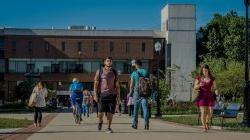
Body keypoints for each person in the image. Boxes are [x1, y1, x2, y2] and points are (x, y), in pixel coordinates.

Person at [94, 57, 120, 133]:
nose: (109, 62)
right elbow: (95, 84)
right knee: (100, 113)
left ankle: (108, 127)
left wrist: (118, 96)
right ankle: (100, 121)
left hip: (112, 95)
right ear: (105, 62)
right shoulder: (100, 71)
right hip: (102, 95)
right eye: (107, 61)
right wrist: (95, 95)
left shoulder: (114, 72)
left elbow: (117, 85)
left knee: (110, 113)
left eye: (110, 61)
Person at [194, 64, 219, 132]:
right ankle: (204, 127)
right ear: (202, 70)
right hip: (202, 97)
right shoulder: (199, 78)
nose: (205, 71)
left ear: (208, 70)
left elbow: (215, 87)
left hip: (210, 96)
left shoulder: (212, 78)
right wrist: (199, 85)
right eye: (204, 70)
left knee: (210, 112)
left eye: (206, 70)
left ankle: (207, 122)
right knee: (203, 112)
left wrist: (216, 92)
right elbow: (195, 87)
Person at [129, 59, 150, 130]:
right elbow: (148, 82)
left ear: (137, 65)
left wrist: (130, 93)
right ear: (141, 64)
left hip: (137, 92)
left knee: (136, 109)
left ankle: (135, 125)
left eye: (135, 64)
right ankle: (146, 124)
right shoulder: (146, 71)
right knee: (145, 108)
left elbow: (131, 85)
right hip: (144, 92)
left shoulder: (134, 73)